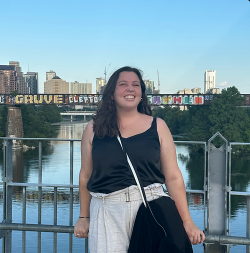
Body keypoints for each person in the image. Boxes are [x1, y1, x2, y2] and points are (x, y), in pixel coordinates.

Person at [74, 66, 205, 252]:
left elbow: (173, 177)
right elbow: (86, 176)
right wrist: (84, 217)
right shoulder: (93, 129)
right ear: (111, 93)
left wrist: (187, 221)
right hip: (106, 212)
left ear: (142, 93)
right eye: (123, 84)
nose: (130, 88)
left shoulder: (158, 126)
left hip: (150, 208)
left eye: (136, 84)